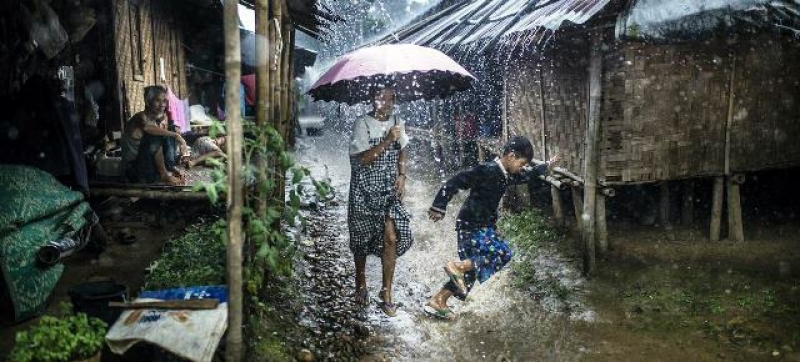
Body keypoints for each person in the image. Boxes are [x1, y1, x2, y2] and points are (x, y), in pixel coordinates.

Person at [424, 136, 560, 320]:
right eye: (521, 163)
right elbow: (455, 181)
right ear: (511, 156)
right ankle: (456, 266)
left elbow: (527, 176)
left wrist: (545, 166)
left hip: (481, 226)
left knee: (471, 273)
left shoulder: (505, 173)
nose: (522, 168)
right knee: (502, 253)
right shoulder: (487, 170)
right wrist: (439, 206)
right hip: (471, 225)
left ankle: (438, 300)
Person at [348, 85, 412, 317]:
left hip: (388, 190)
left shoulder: (397, 121)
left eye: (387, 98)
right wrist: (385, 141)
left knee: (391, 237)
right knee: (361, 237)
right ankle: (361, 281)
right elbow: (360, 161)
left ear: (394, 100)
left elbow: (403, 149)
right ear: (371, 99)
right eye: (378, 97)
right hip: (364, 189)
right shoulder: (361, 124)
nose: (382, 102)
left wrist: (402, 175)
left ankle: (386, 292)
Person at [120, 85, 188, 185]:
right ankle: (164, 175)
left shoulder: (154, 121)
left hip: (147, 166)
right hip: (134, 169)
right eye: (158, 101)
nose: (162, 105)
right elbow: (148, 128)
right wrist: (176, 136)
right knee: (155, 136)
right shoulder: (140, 117)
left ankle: (170, 167)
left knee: (169, 130)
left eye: (164, 101)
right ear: (147, 102)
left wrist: (174, 134)